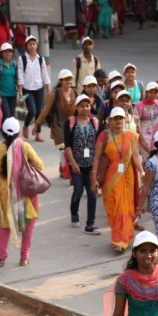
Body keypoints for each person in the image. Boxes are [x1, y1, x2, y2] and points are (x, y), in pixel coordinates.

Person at [0, 118, 44, 267]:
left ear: (2, 132)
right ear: (18, 132)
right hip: (25, 196)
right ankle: (24, 258)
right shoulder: (24, 147)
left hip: (5, 196)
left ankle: (1, 257)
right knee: (28, 225)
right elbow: (40, 165)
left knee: (4, 225)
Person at [93, 106, 142, 254]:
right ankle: (120, 236)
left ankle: (121, 240)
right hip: (110, 177)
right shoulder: (104, 136)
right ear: (110, 121)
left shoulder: (131, 136)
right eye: (115, 119)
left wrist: (142, 171)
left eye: (121, 118)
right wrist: (93, 178)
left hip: (128, 177)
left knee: (126, 208)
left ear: (125, 119)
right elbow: (96, 157)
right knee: (114, 208)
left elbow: (135, 155)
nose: (118, 121)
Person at [64, 94, 101, 234]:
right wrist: (73, 163)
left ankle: (90, 224)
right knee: (78, 191)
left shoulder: (95, 122)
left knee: (92, 194)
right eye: (82, 106)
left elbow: (98, 144)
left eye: (87, 105)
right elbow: (67, 145)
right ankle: (74, 213)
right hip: (77, 164)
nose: (85, 108)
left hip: (91, 164)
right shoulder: (71, 122)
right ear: (77, 107)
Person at [18, 36, 51, 141]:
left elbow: (45, 75)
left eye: (34, 44)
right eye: (29, 44)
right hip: (27, 89)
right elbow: (20, 75)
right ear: (26, 46)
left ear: (37, 46)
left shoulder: (40, 59)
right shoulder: (22, 59)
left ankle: (37, 133)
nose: (32, 46)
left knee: (39, 112)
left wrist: (49, 90)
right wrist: (20, 91)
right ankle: (26, 125)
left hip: (39, 88)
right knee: (32, 110)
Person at [39, 69, 76, 161]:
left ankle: (69, 169)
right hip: (58, 127)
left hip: (71, 127)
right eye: (66, 79)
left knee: (72, 150)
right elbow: (46, 110)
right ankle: (63, 169)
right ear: (61, 81)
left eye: (70, 79)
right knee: (62, 151)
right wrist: (37, 124)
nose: (69, 81)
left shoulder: (75, 92)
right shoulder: (54, 94)